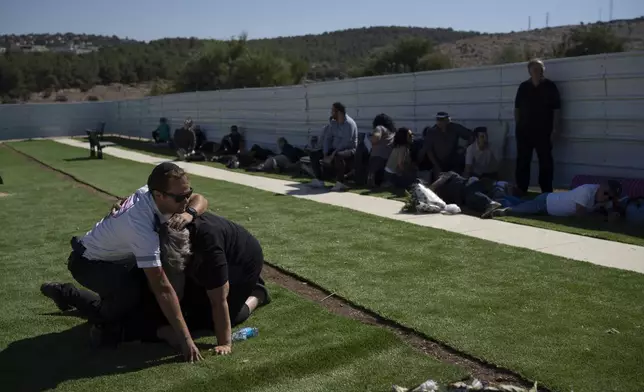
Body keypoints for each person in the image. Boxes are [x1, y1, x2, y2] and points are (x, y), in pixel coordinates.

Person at [40, 162, 209, 363]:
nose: (186, 199)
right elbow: (162, 288)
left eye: (188, 192)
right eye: (180, 197)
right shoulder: (140, 227)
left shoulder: (151, 192)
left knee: (141, 291)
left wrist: (189, 212)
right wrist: (186, 339)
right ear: (159, 195)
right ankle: (69, 294)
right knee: (123, 305)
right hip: (88, 264)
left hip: (116, 258)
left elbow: (201, 200)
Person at [100, 216, 271, 355]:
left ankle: (258, 293)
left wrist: (224, 343)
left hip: (242, 262)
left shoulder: (209, 248)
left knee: (221, 318)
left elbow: (219, 301)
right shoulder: (151, 236)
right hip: (193, 262)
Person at [514, 58, 562, 194]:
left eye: (541, 69)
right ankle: (522, 188)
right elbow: (517, 108)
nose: (538, 72)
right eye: (535, 69)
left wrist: (555, 128)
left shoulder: (550, 87)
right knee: (523, 160)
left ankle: (546, 190)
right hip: (524, 130)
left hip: (544, 130)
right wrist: (518, 125)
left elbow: (557, 110)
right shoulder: (523, 87)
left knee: (545, 161)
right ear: (529, 71)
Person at [492, 180, 622, 219]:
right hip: (547, 203)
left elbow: (610, 209)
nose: (606, 198)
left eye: (610, 197)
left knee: (521, 203)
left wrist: (612, 213)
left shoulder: (604, 200)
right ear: (601, 187)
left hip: (550, 205)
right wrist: (603, 218)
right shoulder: (587, 191)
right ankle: (495, 201)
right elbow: (580, 213)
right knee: (517, 209)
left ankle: (499, 196)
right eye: (606, 193)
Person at [309, 102, 358, 192]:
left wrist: (333, 154)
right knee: (314, 154)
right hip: (334, 149)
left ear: (339, 112)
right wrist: (325, 153)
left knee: (338, 156)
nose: (331, 113)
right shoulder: (333, 123)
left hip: (349, 149)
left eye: (333, 111)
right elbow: (328, 138)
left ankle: (341, 183)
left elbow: (345, 142)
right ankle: (319, 180)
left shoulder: (349, 124)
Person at [417, 112, 472, 180]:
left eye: (442, 120)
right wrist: (436, 165)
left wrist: (465, 148)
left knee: (455, 179)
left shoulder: (455, 128)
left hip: (453, 161)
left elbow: (471, 136)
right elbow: (428, 150)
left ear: (447, 120)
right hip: (438, 162)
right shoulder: (432, 131)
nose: (440, 122)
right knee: (439, 181)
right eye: (438, 120)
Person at [429, 171, 503, 218]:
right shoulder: (439, 195)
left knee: (470, 194)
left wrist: (428, 191)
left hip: (467, 186)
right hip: (462, 199)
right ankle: (496, 211)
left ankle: (490, 203)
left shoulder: (449, 175)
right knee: (471, 204)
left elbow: (435, 184)